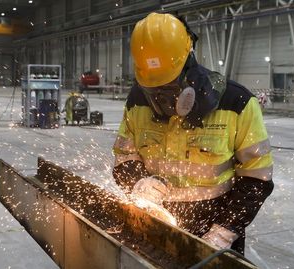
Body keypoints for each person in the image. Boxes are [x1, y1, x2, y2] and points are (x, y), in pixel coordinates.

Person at [112, 12, 274, 255]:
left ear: (188, 60)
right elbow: (124, 156)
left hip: (214, 225)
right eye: (153, 87)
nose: (161, 97)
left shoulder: (236, 101)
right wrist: (137, 182)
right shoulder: (137, 100)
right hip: (154, 224)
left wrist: (224, 231)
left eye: (169, 84)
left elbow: (256, 178)